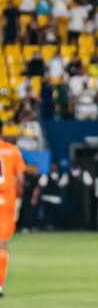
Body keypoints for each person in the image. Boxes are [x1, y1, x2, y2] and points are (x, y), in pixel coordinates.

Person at [0, 125, 25, 298]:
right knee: (1, 243)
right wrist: (19, 199)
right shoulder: (13, 151)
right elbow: (21, 178)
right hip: (5, 200)